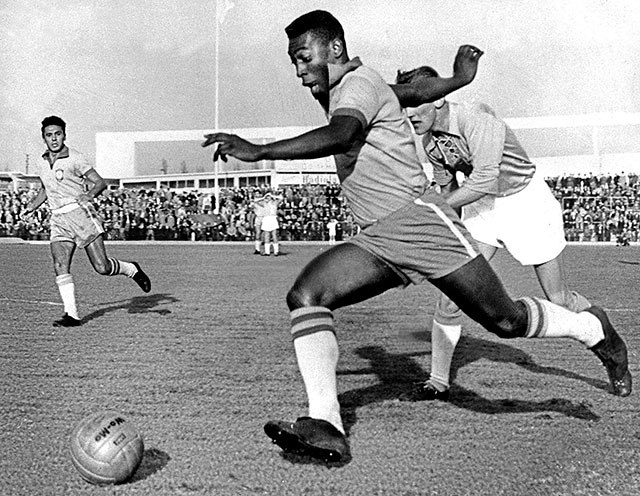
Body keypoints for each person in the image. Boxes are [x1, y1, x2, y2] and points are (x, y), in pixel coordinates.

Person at [202, 10, 630, 463]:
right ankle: (325, 424)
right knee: (307, 294)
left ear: (334, 50)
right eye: (293, 61)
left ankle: (592, 330)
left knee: (505, 322)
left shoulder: (357, 86)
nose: (298, 69)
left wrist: (260, 151)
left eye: (304, 57)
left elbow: (341, 133)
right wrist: (456, 79)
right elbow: (413, 92)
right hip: (380, 237)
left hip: (422, 225)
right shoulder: (358, 83)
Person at [394, 66, 593, 401]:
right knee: (452, 292)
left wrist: (428, 210)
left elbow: (479, 181)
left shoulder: (473, 119)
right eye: (405, 104)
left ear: (440, 97)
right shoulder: (430, 144)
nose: (409, 113)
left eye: (416, 102)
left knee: (559, 299)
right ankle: (437, 381)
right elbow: (449, 195)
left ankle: (603, 335)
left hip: (524, 201)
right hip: (482, 205)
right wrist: (434, 236)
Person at [25, 116, 151, 327]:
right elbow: (45, 189)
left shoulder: (75, 158)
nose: (54, 139)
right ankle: (72, 315)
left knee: (101, 267)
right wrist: (31, 206)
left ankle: (131, 269)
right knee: (59, 264)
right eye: (49, 135)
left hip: (81, 215)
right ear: (43, 138)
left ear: (64, 135)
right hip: (58, 218)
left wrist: (89, 195)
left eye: (57, 134)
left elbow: (99, 182)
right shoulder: (41, 161)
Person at [260, 192, 283, 256]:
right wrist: (263, 197)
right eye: (267, 197)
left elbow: (281, 198)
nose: (267, 198)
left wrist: (272, 195)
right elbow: (255, 200)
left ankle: (276, 251)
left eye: (269, 197)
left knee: (274, 235)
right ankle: (267, 252)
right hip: (266, 218)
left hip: (273, 218)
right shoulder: (264, 203)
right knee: (266, 235)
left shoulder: (275, 202)